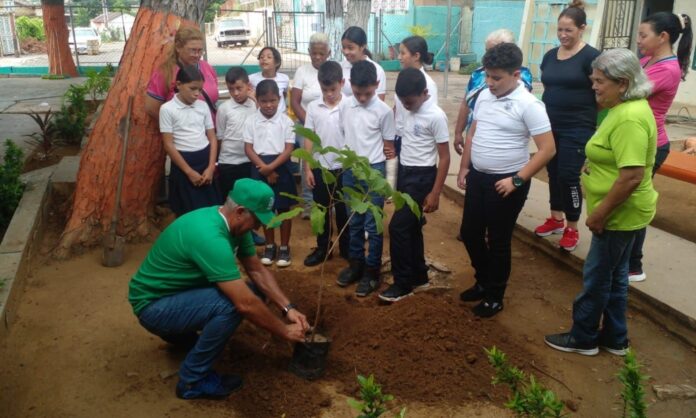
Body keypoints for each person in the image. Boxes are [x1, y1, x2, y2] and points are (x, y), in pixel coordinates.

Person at [128, 179, 310, 400]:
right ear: (241, 211)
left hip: (176, 296)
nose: (259, 227)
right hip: (154, 306)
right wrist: (284, 331)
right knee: (232, 305)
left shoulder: (233, 225)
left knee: (254, 291)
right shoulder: (209, 236)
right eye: (258, 220)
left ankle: (185, 339)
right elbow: (244, 304)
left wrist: (287, 307)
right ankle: (192, 381)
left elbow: (257, 270)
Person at [544, 48, 657, 356]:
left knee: (596, 277)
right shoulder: (622, 109)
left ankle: (583, 337)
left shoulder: (630, 118)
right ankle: (615, 337)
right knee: (616, 275)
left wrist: (600, 214)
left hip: (618, 213)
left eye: (599, 81)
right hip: (621, 211)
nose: (593, 86)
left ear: (622, 82)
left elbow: (632, 176)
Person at [456, 43, 555, 318]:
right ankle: (483, 281)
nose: (489, 83)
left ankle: (495, 295)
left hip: (508, 183)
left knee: (498, 240)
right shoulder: (486, 96)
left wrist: (517, 180)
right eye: (487, 76)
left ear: (516, 74)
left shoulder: (529, 105)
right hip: (478, 176)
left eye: (496, 78)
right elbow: (474, 131)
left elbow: (548, 149)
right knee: (470, 232)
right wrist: (465, 167)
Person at [628, 11, 692, 282]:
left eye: (643, 35)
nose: (638, 40)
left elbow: (628, 92)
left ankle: (634, 265)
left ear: (663, 37)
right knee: (627, 200)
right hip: (636, 138)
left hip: (652, 144)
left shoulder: (667, 69)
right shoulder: (646, 59)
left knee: (634, 202)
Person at [533, 0, 601, 252]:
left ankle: (572, 226)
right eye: (559, 29)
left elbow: (601, 92)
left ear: (582, 28)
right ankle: (556, 218)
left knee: (569, 175)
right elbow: (549, 86)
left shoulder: (592, 57)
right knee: (552, 172)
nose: (562, 35)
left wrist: (597, 126)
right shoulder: (550, 55)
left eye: (568, 30)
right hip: (550, 125)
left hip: (578, 126)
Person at [378, 68, 450, 303]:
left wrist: (435, 193)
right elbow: (404, 140)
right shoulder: (407, 109)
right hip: (405, 173)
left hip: (422, 178)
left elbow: (445, 157)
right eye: (403, 102)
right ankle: (419, 275)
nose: (406, 106)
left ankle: (403, 283)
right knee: (412, 227)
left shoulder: (436, 116)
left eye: (410, 101)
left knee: (398, 228)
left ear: (425, 93)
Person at [336, 60, 396, 297]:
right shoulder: (345, 106)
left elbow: (388, 145)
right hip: (351, 170)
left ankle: (372, 272)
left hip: (374, 171)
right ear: (350, 86)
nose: (362, 98)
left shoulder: (383, 111)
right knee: (354, 220)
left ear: (377, 85)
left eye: (368, 93)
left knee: (373, 222)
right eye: (358, 93)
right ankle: (356, 265)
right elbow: (344, 134)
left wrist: (386, 181)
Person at [452, 29, 533, 156]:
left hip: (504, 144)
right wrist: (458, 133)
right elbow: (466, 103)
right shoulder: (477, 74)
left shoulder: (521, 77)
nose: (489, 56)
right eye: (487, 51)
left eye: (494, 51)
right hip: (475, 137)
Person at [302, 61, 350, 266]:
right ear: (319, 85)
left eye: (333, 89)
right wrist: (308, 167)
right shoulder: (313, 107)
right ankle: (323, 248)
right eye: (324, 89)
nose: (329, 94)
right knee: (321, 210)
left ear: (342, 83)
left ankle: (347, 248)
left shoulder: (349, 105)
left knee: (343, 211)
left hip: (344, 169)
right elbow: (308, 138)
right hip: (320, 168)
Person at [244, 80, 296, 267]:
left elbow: (289, 148)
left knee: (283, 209)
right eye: (264, 101)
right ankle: (269, 245)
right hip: (259, 166)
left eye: (273, 100)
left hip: (281, 166)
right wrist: (264, 169)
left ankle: (284, 247)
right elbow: (248, 148)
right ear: (257, 100)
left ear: (280, 99)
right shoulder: (251, 120)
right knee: (265, 209)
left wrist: (271, 168)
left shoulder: (286, 121)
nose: (268, 105)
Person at [159, 65, 220, 216]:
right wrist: (189, 172)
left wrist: (211, 167)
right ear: (178, 84)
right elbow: (168, 144)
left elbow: (212, 137)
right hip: (183, 164)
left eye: (199, 89)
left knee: (211, 207)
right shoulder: (167, 109)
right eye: (192, 88)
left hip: (205, 160)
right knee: (187, 210)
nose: (196, 94)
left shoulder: (202, 106)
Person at [291, 33, 332, 219]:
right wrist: (310, 124)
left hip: (329, 124)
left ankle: (328, 201)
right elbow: (295, 101)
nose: (317, 57)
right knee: (307, 162)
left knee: (328, 161)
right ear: (308, 52)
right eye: (314, 53)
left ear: (328, 53)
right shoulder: (302, 71)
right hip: (305, 124)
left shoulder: (333, 69)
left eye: (321, 53)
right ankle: (308, 203)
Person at [145, 26, 218, 121]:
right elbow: (151, 108)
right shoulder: (165, 73)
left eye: (200, 50)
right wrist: (177, 128)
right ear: (178, 47)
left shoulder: (207, 68)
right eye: (192, 50)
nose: (197, 55)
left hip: (210, 132)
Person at [394, 35, 438, 156]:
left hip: (415, 142)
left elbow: (429, 117)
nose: (399, 57)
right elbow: (397, 107)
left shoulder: (428, 84)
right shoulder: (402, 76)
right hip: (399, 136)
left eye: (403, 53)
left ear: (416, 56)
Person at [216, 67, 256, 199]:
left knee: (249, 199)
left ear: (248, 86)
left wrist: (255, 101)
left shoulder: (256, 106)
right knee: (229, 198)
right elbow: (220, 136)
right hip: (228, 162)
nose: (236, 93)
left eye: (239, 88)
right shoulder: (224, 108)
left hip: (250, 161)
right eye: (231, 89)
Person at [340, 26, 387, 101]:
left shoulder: (377, 70)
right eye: (343, 47)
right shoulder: (339, 68)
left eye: (350, 48)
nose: (346, 52)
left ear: (362, 47)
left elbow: (379, 102)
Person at [249, 47, 290, 114]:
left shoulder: (284, 78)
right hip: (260, 117)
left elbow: (284, 94)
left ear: (277, 62)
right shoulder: (251, 79)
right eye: (261, 57)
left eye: (269, 57)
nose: (264, 59)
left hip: (281, 117)